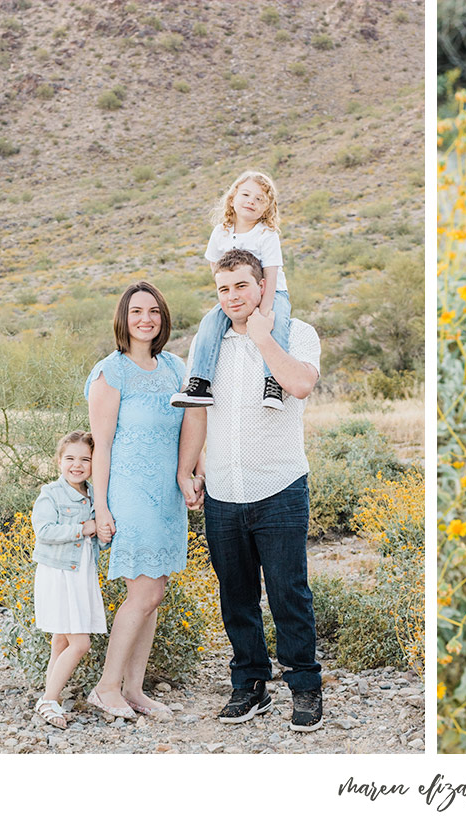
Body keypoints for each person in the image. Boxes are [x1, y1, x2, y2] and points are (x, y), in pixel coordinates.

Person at [177, 248, 324, 731]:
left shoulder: (296, 333)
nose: (232, 296)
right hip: (222, 489)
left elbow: (300, 384)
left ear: (262, 285)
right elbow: (197, 411)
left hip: (279, 485)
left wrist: (264, 340)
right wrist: (188, 471)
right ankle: (250, 686)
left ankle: (304, 687)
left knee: (288, 593)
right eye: (223, 288)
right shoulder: (207, 345)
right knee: (235, 595)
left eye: (241, 285)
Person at [84, 281, 188, 721]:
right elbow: (101, 446)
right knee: (142, 592)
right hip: (128, 492)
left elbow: (191, 428)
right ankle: (106, 688)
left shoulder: (176, 368)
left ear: (163, 318)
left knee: (155, 593)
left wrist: (193, 475)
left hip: (167, 494)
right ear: (123, 320)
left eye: (154, 312)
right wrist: (102, 506)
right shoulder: (112, 372)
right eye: (136, 312)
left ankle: (134, 690)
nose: (146, 319)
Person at [171, 170, 292, 411]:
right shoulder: (221, 232)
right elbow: (215, 265)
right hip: (236, 294)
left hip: (271, 292)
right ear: (233, 198)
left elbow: (271, 273)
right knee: (209, 323)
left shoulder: (266, 235)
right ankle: (200, 383)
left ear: (267, 208)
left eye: (260, 199)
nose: (251, 201)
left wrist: (264, 311)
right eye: (246, 194)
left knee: (276, 323)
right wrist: (226, 293)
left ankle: (273, 383)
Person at [31, 431, 107, 730]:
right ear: (59, 461)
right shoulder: (51, 493)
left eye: (85, 459)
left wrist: (102, 534)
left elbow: (96, 536)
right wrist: (83, 528)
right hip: (59, 573)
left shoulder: (95, 494)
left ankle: (51, 696)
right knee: (80, 642)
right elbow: (45, 531)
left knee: (62, 640)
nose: (77, 465)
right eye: (70, 458)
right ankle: (48, 699)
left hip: (81, 573)